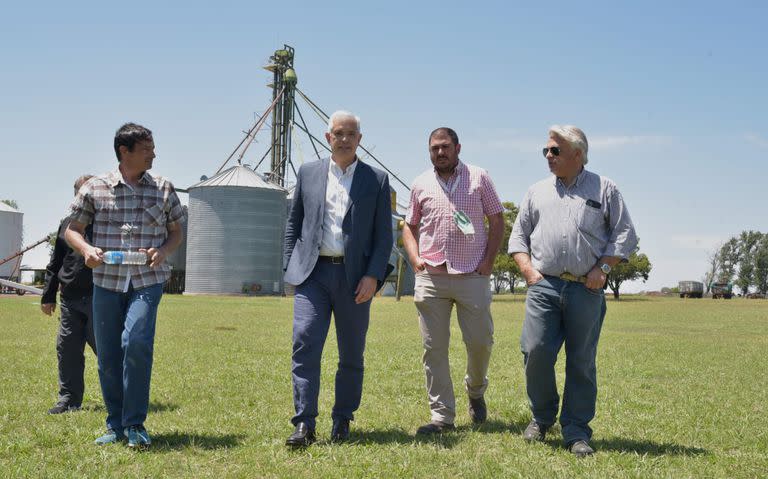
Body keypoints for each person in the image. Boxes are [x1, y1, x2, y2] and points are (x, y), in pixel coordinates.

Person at [508, 125, 637, 457]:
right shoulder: (536, 191)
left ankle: (577, 430)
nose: (548, 156)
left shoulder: (604, 189)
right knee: (535, 352)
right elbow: (518, 236)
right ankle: (542, 417)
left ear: (578, 154)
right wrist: (527, 270)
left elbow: (624, 234)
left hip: (586, 290)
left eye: (555, 151)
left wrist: (603, 268)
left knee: (581, 362)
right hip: (544, 286)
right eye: (546, 151)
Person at [64, 123, 184, 448]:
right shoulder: (95, 188)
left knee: (137, 343)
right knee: (108, 355)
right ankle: (116, 425)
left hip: (148, 280)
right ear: (125, 152)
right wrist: (87, 249)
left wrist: (163, 250)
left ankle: (135, 424)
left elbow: (177, 232)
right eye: (147, 149)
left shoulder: (163, 187)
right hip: (106, 281)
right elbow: (72, 230)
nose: (154, 154)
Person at [283, 110, 393, 447]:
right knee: (305, 342)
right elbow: (293, 224)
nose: (344, 139)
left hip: (355, 279)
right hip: (313, 275)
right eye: (338, 133)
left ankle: (342, 419)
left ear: (360, 139)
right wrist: (292, 266)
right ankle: (304, 424)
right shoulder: (308, 173)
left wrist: (374, 276)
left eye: (351, 134)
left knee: (351, 353)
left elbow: (383, 237)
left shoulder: (376, 179)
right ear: (327, 137)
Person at [402, 127, 504, 434]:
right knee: (434, 348)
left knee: (480, 342)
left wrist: (488, 262)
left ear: (457, 148)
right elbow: (409, 226)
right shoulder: (420, 183)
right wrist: (415, 258)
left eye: (445, 147)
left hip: (472, 273)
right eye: (434, 148)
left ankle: (476, 390)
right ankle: (442, 417)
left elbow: (497, 218)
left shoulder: (479, 177)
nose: (440, 153)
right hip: (431, 275)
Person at [41, 175, 97, 414]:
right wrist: (48, 295)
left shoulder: (109, 223)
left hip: (101, 298)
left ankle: (123, 398)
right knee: (67, 350)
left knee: (109, 351)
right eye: (82, 192)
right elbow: (56, 262)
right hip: (70, 299)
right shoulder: (67, 223)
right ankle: (68, 399)